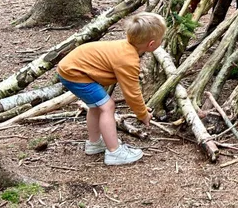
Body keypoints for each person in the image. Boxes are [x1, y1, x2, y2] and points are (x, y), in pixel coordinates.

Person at [57, 12, 166, 165]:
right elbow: (132, 93)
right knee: (107, 106)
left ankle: (94, 144)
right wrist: (142, 114)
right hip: (74, 73)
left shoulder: (125, 47)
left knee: (96, 106)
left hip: (70, 69)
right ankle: (114, 152)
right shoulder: (128, 60)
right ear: (151, 44)